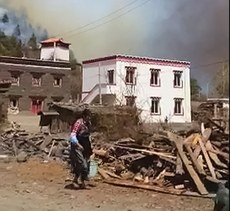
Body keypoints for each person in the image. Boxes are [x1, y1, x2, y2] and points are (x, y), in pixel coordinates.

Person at [69, 108, 93, 189]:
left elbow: (89, 135)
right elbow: (72, 135)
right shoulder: (78, 123)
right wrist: (78, 145)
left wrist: (90, 146)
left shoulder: (88, 124)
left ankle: (81, 181)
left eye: (90, 117)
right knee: (82, 164)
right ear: (84, 116)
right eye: (88, 116)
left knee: (87, 164)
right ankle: (76, 180)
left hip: (86, 145)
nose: (89, 118)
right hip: (78, 145)